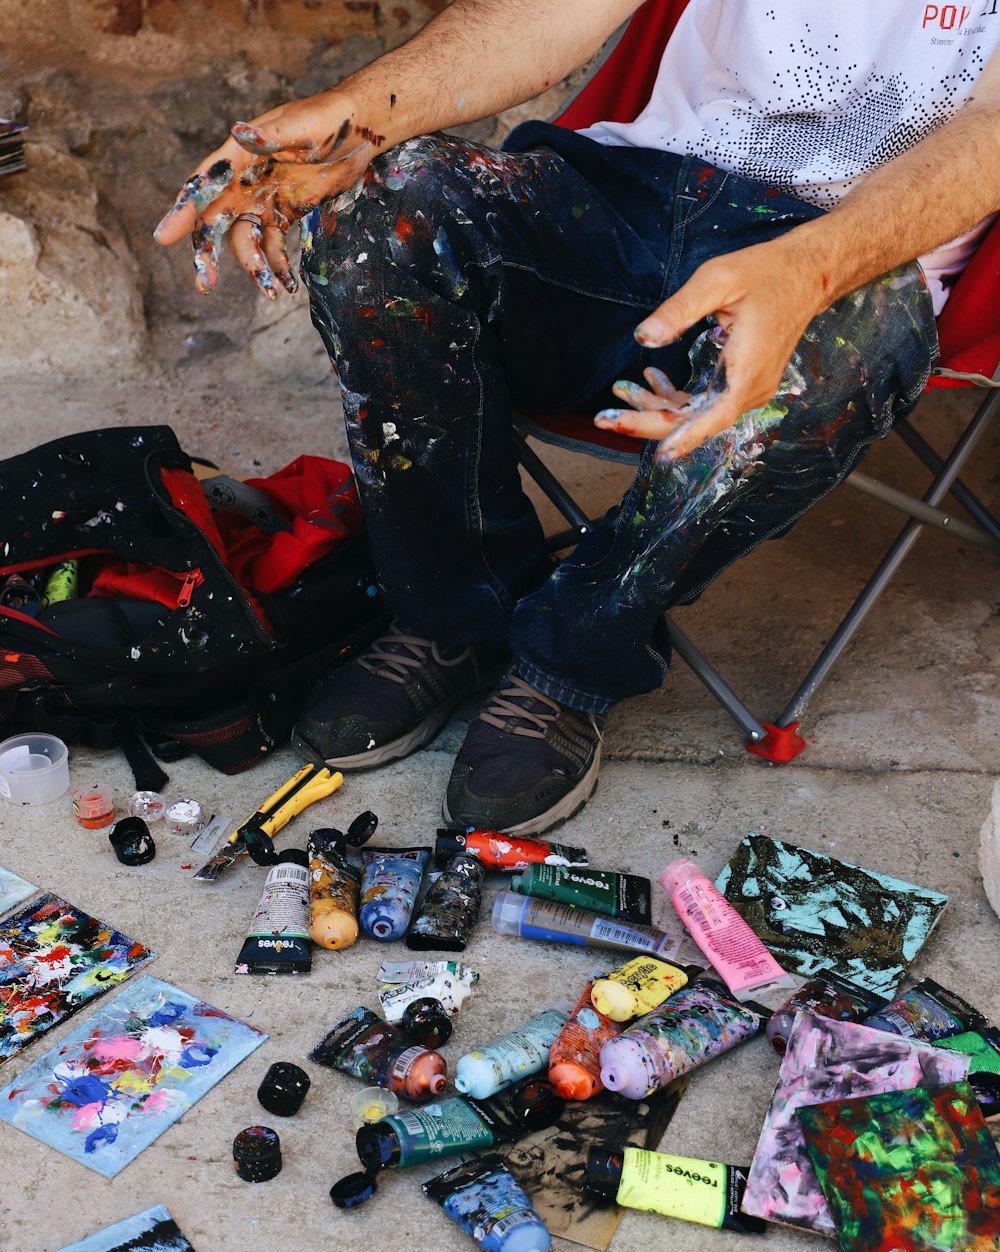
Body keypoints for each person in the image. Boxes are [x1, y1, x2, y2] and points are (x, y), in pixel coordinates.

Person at [155, 0, 1000, 834]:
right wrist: (356, 113)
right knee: (374, 217)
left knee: (831, 357)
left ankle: (566, 664)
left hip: (846, 249)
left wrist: (810, 270)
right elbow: (543, 14)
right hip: (631, 193)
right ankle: (454, 614)